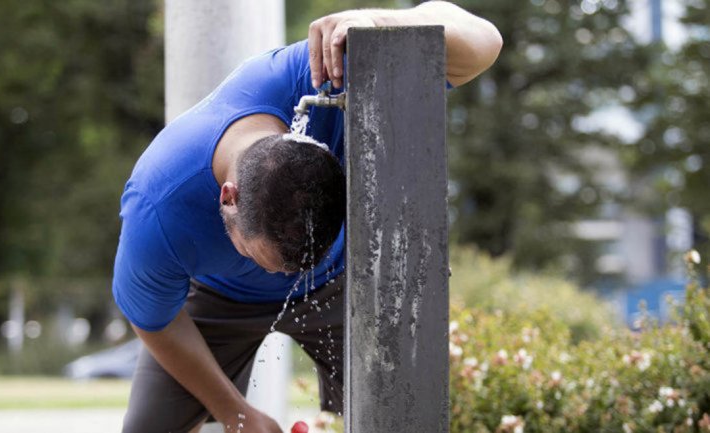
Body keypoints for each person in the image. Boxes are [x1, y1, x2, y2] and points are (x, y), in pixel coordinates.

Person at [112, 2, 502, 432]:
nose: (287, 279)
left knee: (405, 412)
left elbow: (485, 43)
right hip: (222, 298)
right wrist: (235, 412)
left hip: (338, 281)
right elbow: (155, 321)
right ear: (228, 199)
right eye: (270, 262)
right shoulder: (158, 207)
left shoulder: (325, 75)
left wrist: (379, 22)